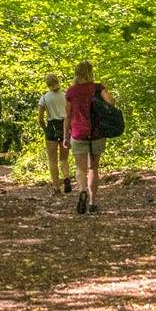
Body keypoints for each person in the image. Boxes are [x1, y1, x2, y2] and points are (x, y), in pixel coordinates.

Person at [66, 61, 112, 214]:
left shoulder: (71, 92)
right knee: (93, 168)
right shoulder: (98, 88)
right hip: (97, 134)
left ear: (76, 73)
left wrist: (66, 136)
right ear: (90, 72)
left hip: (78, 134)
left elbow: (67, 116)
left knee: (80, 168)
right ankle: (92, 202)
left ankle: (82, 191)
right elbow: (111, 103)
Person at [37, 73, 73, 195]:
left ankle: (57, 188)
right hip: (65, 126)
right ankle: (67, 177)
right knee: (64, 158)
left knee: (52, 160)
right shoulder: (66, 96)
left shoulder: (44, 98)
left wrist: (45, 129)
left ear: (47, 84)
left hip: (51, 128)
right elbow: (70, 114)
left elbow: (40, 119)